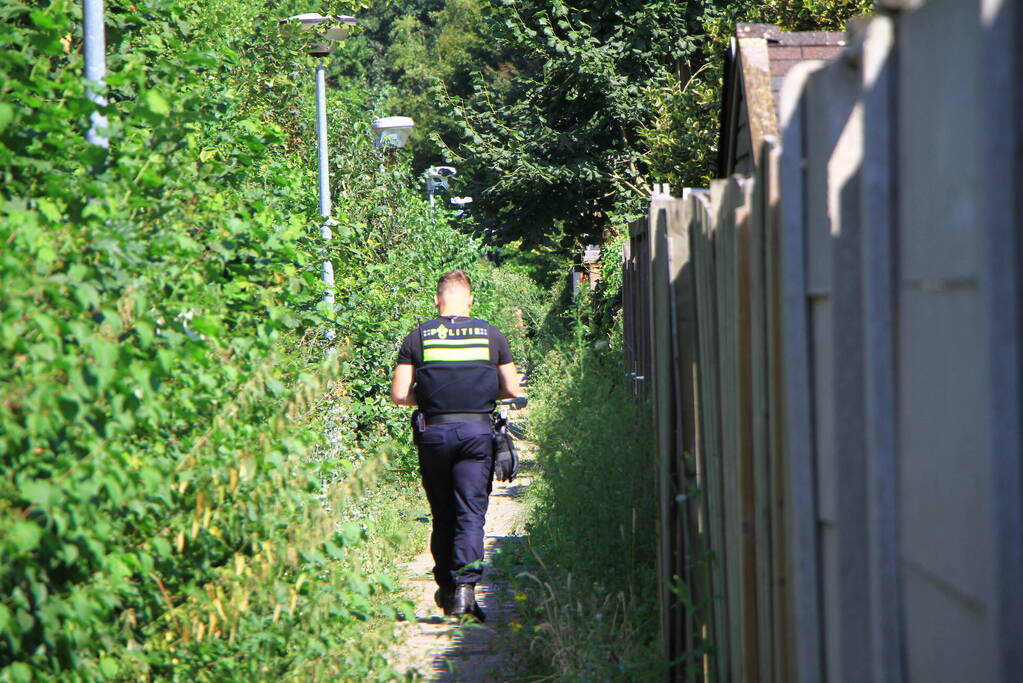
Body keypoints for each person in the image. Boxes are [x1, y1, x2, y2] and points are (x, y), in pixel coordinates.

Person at [390, 269, 523, 619]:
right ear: (470, 300)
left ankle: (447, 586)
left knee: (443, 513)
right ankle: (465, 590)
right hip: (477, 434)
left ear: (437, 300)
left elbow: (400, 395)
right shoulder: (490, 335)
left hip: (434, 434)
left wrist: (436, 399)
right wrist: (479, 394)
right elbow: (511, 389)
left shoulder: (418, 337)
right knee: (470, 513)